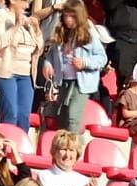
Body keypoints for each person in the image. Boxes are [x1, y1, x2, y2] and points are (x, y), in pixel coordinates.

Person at [40, 0, 105, 132]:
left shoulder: (88, 34)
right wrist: (47, 63)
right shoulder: (61, 32)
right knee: (62, 116)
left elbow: (102, 58)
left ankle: (73, 148)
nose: (68, 20)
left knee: (73, 114)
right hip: (64, 80)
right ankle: (68, 146)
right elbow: (52, 54)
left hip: (81, 83)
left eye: (72, 16)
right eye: (66, 16)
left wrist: (85, 63)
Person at [0, 0, 44, 128]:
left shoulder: (27, 21)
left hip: (26, 74)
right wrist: (16, 26)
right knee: (11, 113)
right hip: (4, 71)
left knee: (24, 115)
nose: (27, 4)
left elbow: (38, 49)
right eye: (24, 1)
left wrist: (37, 31)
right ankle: (6, 145)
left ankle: (21, 146)